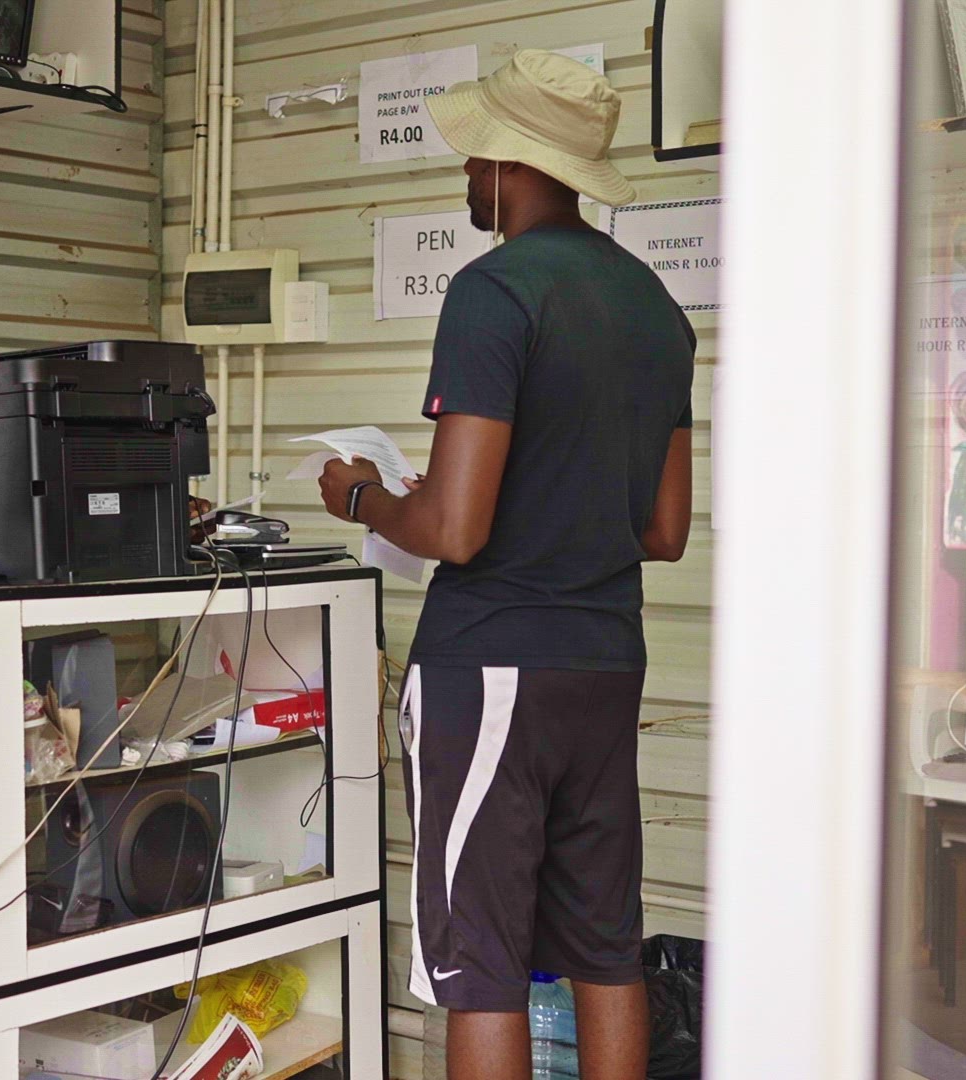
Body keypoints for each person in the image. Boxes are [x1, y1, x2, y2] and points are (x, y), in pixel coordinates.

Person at [315, 52, 692, 1080]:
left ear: (509, 164)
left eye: (475, 152)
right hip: (606, 663)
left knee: (480, 962)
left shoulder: (494, 292)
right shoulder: (654, 306)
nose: (466, 171)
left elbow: (456, 528)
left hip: (491, 668)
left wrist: (362, 496)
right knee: (605, 945)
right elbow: (665, 529)